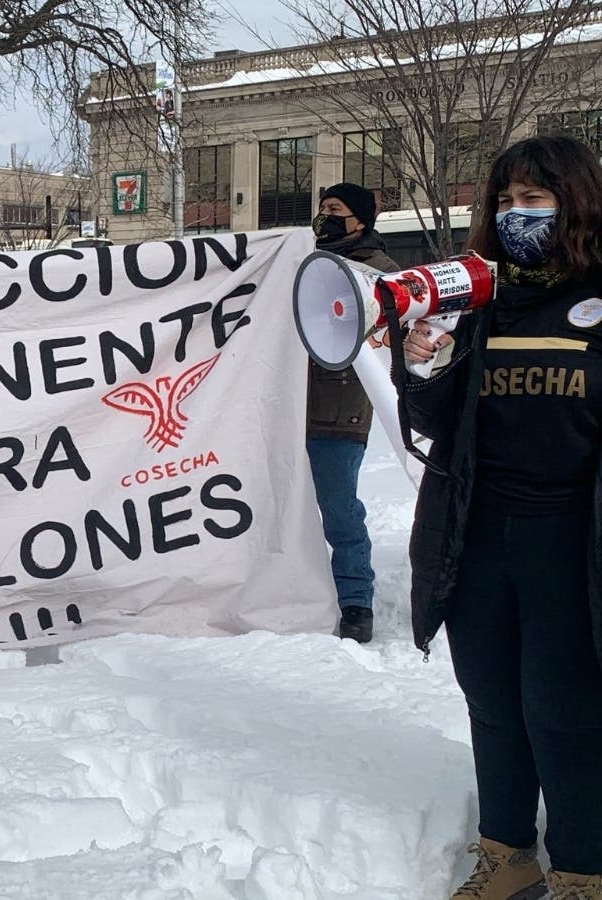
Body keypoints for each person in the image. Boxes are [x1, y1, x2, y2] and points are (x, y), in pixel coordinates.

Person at [403, 134, 602, 899]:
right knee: (491, 698)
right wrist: (424, 363)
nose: (515, 214)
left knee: (565, 710)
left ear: (577, 201)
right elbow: (438, 420)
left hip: (571, 538)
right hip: (479, 530)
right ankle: (507, 852)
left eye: (534, 199)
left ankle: (584, 868)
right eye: (505, 200)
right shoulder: (478, 300)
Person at [307, 183, 399, 643]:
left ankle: (355, 601)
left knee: (339, 511)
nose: (325, 217)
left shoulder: (381, 274)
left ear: (359, 220)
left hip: (340, 414)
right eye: (323, 209)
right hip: (290, 410)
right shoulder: (304, 264)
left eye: (336, 210)